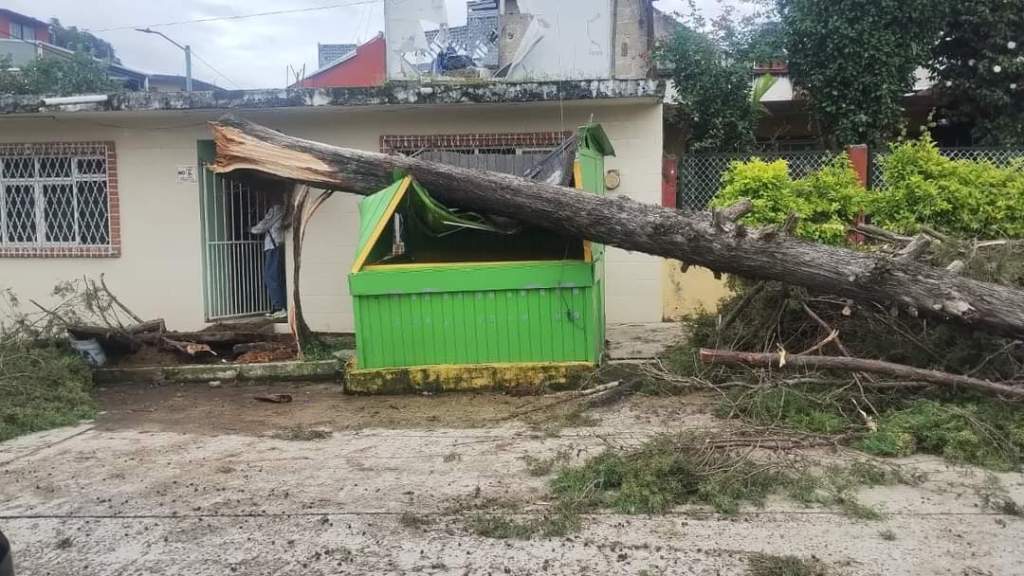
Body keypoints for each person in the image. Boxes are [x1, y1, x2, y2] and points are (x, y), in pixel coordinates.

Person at [251, 200, 287, 319]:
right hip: (278, 245)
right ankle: (281, 305)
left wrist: (251, 229)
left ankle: (279, 307)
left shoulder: (276, 208)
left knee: (271, 276)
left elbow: (264, 225)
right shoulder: (285, 207)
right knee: (278, 276)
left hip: (273, 246)